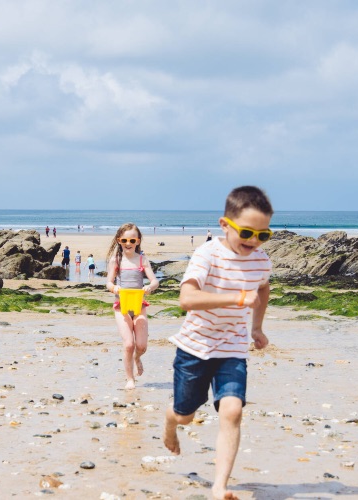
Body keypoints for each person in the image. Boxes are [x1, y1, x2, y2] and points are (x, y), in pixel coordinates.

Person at [164, 186, 274, 499]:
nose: (254, 241)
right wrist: (237, 298)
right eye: (247, 232)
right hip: (194, 347)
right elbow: (186, 298)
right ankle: (171, 422)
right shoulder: (207, 253)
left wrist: (257, 328)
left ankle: (219, 486)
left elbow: (263, 290)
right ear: (225, 225)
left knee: (232, 410)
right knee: (186, 414)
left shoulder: (261, 261)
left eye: (263, 235)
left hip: (233, 349)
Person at [105, 224, 159, 390]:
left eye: (132, 240)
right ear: (119, 240)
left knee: (141, 346)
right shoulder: (116, 260)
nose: (128, 243)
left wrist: (150, 287)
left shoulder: (142, 259)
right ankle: (130, 379)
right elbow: (109, 282)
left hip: (139, 305)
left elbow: (155, 281)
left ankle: (137, 358)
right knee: (128, 344)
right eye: (124, 240)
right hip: (121, 306)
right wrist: (115, 288)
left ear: (138, 241)